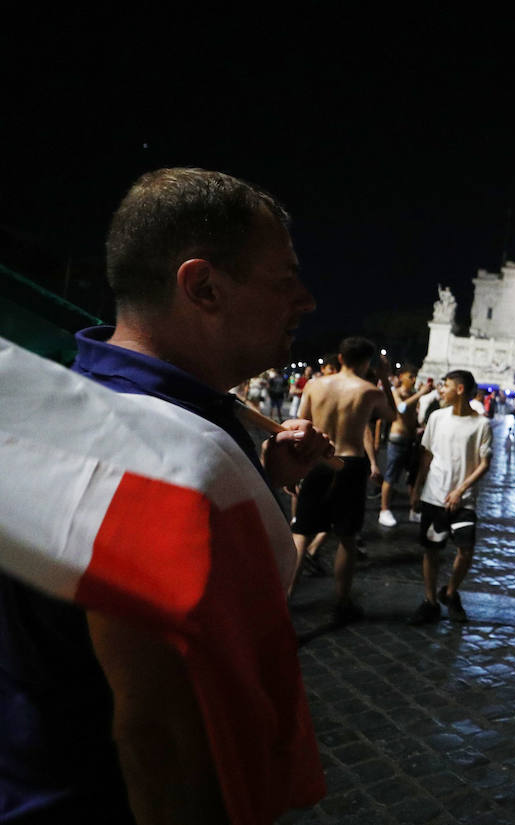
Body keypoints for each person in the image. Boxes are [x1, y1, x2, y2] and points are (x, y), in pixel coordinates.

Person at [0, 167, 331, 822]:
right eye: (283, 277)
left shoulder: (93, 406)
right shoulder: (150, 456)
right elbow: (159, 739)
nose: (306, 300)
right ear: (202, 286)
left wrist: (264, 481)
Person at [293, 336, 396, 620]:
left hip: (318, 458)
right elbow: (392, 414)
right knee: (347, 538)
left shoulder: (315, 385)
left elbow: (302, 425)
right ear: (367, 362)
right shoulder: (369, 391)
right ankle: (342, 600)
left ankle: (286, 595)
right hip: (350, 462)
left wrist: (296, 466)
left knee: (301, 533)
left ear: (340, 358)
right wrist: (385, 380)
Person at [407, 369, 492, 624]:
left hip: (463, 500)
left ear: (460, 389)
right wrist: (417, 489)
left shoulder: (481, 424)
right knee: (431, 550)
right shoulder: (436, 417)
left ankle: (451, 591)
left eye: (445, 386)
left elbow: (484, 462)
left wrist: (460, 490)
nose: (440, 390)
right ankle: (430, 600)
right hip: (434, 495)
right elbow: (426, 455)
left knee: (466, 550)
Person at [378, 365, 434, 528]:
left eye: (415, 376)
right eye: (410, 376)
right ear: (401, 376)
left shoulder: (412, 394)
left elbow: (412, 416)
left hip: (411, 439)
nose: (414, 380)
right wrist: (421, 394)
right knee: (391, 476)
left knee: (413, 477)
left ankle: (414, 508)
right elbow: (401, 408)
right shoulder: (397, 392)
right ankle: (384, 509)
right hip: (398, 439)